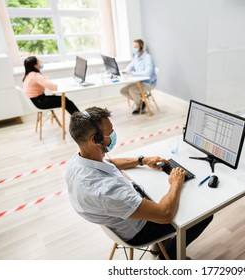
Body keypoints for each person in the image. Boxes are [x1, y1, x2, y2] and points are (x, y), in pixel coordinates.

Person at [65, 106, 212, 259]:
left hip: (118, 217)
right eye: (110, 133)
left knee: (158, 190)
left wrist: (142, 160)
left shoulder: (77, 162)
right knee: (203, 214)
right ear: (96, 139)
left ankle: (160, 245)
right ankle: (168, 256)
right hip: (139, 230)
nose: (113, 135)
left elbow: (110, 164)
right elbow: (165, 214)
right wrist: (175, 183)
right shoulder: (108, 192)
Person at [120, 39, 157, 114]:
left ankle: (140, 106)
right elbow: (130, 66)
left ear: (141, 46)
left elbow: (147, 73)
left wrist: (132, 73)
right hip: (139, 81)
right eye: (133, 47)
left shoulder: (147, 57)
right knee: (123, 90)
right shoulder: (136, 56)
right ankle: (141, 103)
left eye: (136, 47)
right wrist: (126, 71)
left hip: (149, 83)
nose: (134, 48)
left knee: (132, 90)